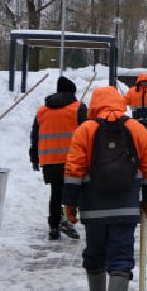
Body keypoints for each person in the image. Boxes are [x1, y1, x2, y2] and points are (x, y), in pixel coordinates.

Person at [62, 85, 147, 291]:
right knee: (121, 258)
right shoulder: (136, 128)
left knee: (95, 254)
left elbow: (74, 169)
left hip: (93, 208)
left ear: (95, 104)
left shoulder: (86, 130)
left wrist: (69, 204)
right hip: (126, 207)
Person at [30, 75, 86, 240]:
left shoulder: (43, 111)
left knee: (55, 192)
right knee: (72, 191)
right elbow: (88, 133)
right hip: (72, 160)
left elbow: (35, 136)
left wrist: (34, 158)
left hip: (50, 160)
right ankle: (67, 221)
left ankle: (54, 227)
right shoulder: (78, 109)